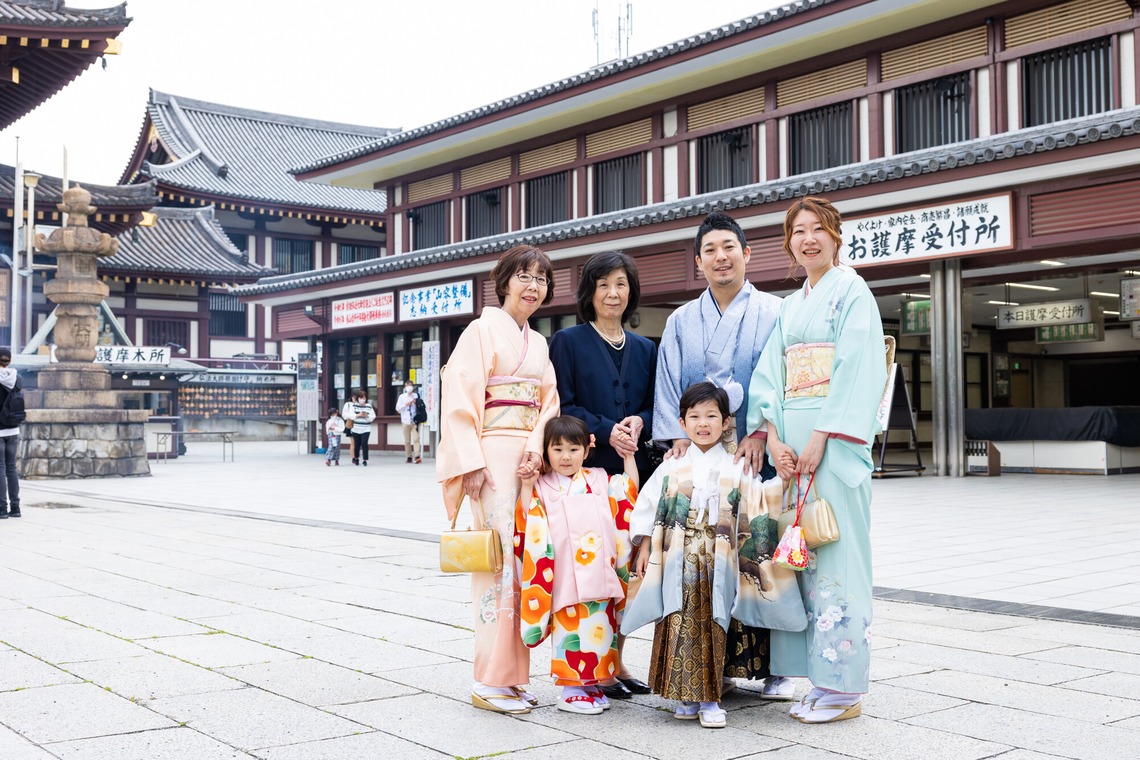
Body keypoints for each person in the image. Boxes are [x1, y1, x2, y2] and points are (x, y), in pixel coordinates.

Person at [747, 197, 886, 724]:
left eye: (818, 230)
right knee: (799, 552)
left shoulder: (853, 290)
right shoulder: (790, 305)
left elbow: (858, 367)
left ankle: (844, 686)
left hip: (834, 441)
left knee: (838, 551)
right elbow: (770, 377)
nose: (808, 239)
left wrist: (821, 435)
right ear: (789, 243)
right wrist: (777, 438)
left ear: (836, 235)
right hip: (793, 445)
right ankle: (820, 678)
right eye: (798, 231)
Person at [622, 383, 805, 729]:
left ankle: (709, 698)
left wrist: (782, 482)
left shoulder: (737, 467)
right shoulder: (670, 466)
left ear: (726, 423)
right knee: (678, 623)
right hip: (678, 559)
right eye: (694, 416)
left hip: (720, 561)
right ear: (681, 422)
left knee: (714, 624)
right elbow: (648, 507)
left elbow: (759, 501)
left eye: (711, 416)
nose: (703, 423)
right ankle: (686, 697)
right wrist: (644, 546)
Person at [652, 210, 783, 693]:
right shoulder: (682, 319)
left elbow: (782, 381)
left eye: (729, 247)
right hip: (700, 451)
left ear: (747, 254)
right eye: (710, 250)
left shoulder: (775, 312)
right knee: (701, 557)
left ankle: (774, 667)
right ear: (698, 261)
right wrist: (679, 437)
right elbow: (668, 384)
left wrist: (762, 432)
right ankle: (710, 664)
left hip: (754, 449)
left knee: (758, 552)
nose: (720, 257)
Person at [437, 244, 560, 715]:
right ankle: (487, 678)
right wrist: (469, 462)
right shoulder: (480, 331)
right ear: (504, 281)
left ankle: (510, 677)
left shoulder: (540, 342)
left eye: (541, 280)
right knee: (497, 563)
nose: (533, 287)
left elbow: (548, 403)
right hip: (490, 456)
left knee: (526, 561)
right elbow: (460, 396)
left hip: (527, 458)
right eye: (524, 277)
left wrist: (537, 450)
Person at [548, 249, 656, 700]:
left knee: (628, 574)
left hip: (635, 475)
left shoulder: (647, 347)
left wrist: (640, 422)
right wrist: (608, 429)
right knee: (591, 574)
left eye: (621, 284)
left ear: (631, 293)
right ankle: (590, 667)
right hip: (588, 475)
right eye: (604, 284)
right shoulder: (568, 341)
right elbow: (563, 405)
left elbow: (657, 403)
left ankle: (617, 661)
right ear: (589, 292)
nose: (613, 293)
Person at [514, 416, 638, 715]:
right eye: (557, 450)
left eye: (573, 449)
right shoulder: (543, 486)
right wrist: (527, 485)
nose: (565, 457)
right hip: (565, 576)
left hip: (599, 572)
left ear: (587, 449)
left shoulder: (598, 478)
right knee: (572, 628)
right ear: (546, 452)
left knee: (599, 627)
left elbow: (627, 492)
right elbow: (527, 521)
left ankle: (592, 683)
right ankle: (571, 688)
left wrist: (630, 457)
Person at [0, 348, 20, 519]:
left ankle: (2, 509)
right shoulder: (17, 377)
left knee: (0, 469)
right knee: (11, 468)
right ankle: (15, 508)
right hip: (13, 429)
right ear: (10, 361)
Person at [341, 388, 376, 466]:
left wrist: (366, 416)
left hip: (366, 428)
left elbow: (373, 416)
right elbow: (349, 415)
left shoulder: (369, 406)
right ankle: (355, 458)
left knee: (364, 443)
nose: (362, 400)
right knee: (356, 444)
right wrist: (358, 415)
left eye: (363, 398)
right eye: (360, 398)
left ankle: (365, 459)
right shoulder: (353, 405)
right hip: (355, 427)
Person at [395, 381, 423, 463]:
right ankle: (409, 456)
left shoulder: (416, 396)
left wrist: (416, 402)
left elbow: (420, 407)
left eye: (410, 385)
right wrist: (406, 404)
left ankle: (417, 456)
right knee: (407, 441)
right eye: (407, 386)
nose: (409, 387)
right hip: (405, 421)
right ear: (405, 387)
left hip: (415, 421)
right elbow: (397, 408)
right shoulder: (402, 397)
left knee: (416, 438)